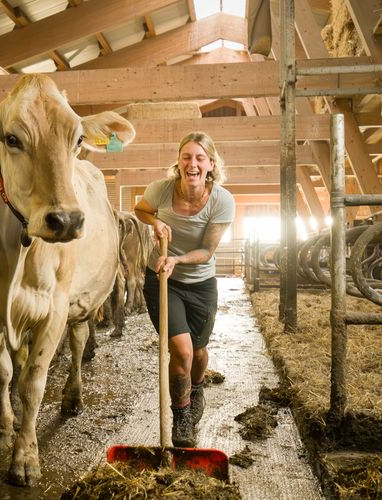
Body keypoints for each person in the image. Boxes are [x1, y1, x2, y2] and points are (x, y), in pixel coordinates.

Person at [134, 131, 235, 447]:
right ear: (178, 163)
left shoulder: (221, 200)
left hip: (201, 283)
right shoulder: (161, 190)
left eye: (199, 158)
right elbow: (141, 209)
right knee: (181, 350)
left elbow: (207, 251)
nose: (192, 163)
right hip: (163, 280)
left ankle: (197, 387)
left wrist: (177, 258)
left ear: (210, 164)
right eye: (186, 157)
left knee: (199, 352)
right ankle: (182, 418)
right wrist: (155, 223)